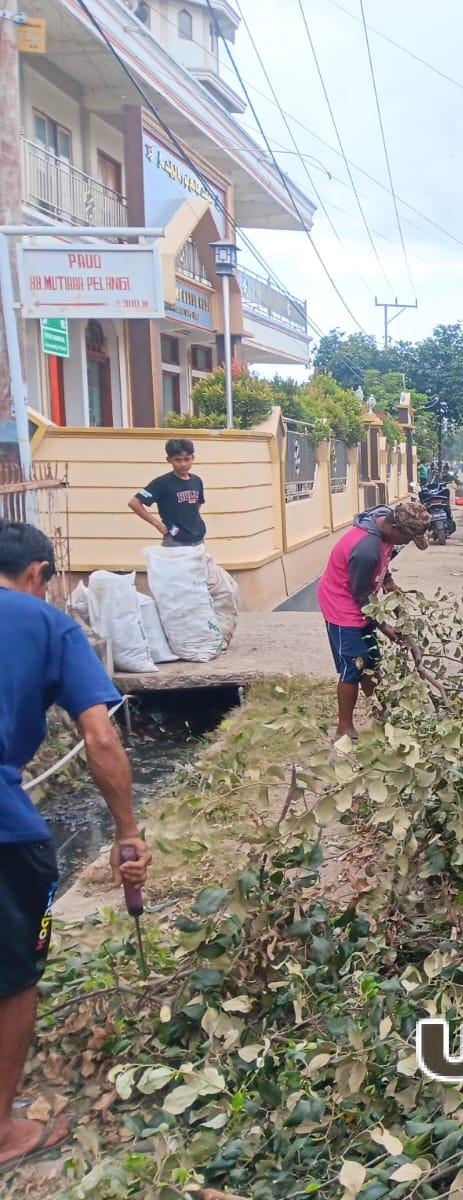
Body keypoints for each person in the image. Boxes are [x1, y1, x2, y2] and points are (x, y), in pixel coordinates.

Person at [0, 521, 150, 1170]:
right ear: (38, 573)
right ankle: (4, 1134)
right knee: (12, 978)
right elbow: (101, 740)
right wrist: (126, 833)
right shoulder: (48, 623)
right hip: (5, 834)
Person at [316, 501, 432, 743]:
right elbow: (362, 598)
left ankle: (381, 716)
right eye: (407, 538)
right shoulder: (366, 549)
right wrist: (386, 628)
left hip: (362, 597)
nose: (407, 543)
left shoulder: (384, 523)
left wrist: (388, 581)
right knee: (354, 665)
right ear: (394, 528)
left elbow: (384, 559)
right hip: (341, 604)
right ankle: (344, 728)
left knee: (372, 661)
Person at [128, 437, 205, 547]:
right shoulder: (161, 483)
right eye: (178, 460)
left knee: (199, 565)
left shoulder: (197, 481)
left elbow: (197, 505)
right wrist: (158, 525)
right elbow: (134, 503)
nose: (183, 464)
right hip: (175, 540)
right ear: (168, 460)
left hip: (198, 538)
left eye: (187, 459)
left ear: (193, 458)